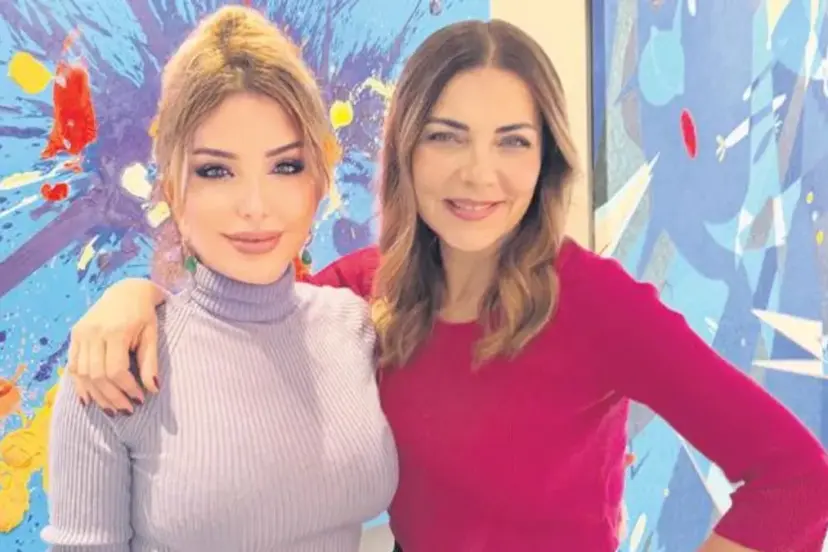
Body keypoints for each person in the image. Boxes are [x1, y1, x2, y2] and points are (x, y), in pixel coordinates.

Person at [65, 18, 828, 552]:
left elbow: (797, 480)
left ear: (545, 161)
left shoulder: (595, 302)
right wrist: (136, 297)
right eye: (446, 137)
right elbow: (242, 315)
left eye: (512, 143)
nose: (478, 174)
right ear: (406, 151)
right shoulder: (361, 297)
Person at [43, 7, 397, 551]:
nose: (254, 206)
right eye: (216, 170)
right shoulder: (115, 365)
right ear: (173, 189)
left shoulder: (355, 328)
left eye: (285, 166)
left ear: (319, 180)